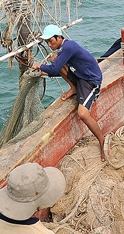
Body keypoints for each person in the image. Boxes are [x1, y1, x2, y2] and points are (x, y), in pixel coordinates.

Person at [33, 25, 107, 161]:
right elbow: (55, 68)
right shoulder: (62, 49)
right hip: (79, 76)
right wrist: (42, 72)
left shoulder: (68, 47)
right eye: (47, 42)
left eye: (51, 41)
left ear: (59, 37)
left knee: (83, 114)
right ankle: (73, 88)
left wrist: (40, 66)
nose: (49, 44)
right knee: (54, 59)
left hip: (90, 81)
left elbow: (55, 70)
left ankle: (102, 141)